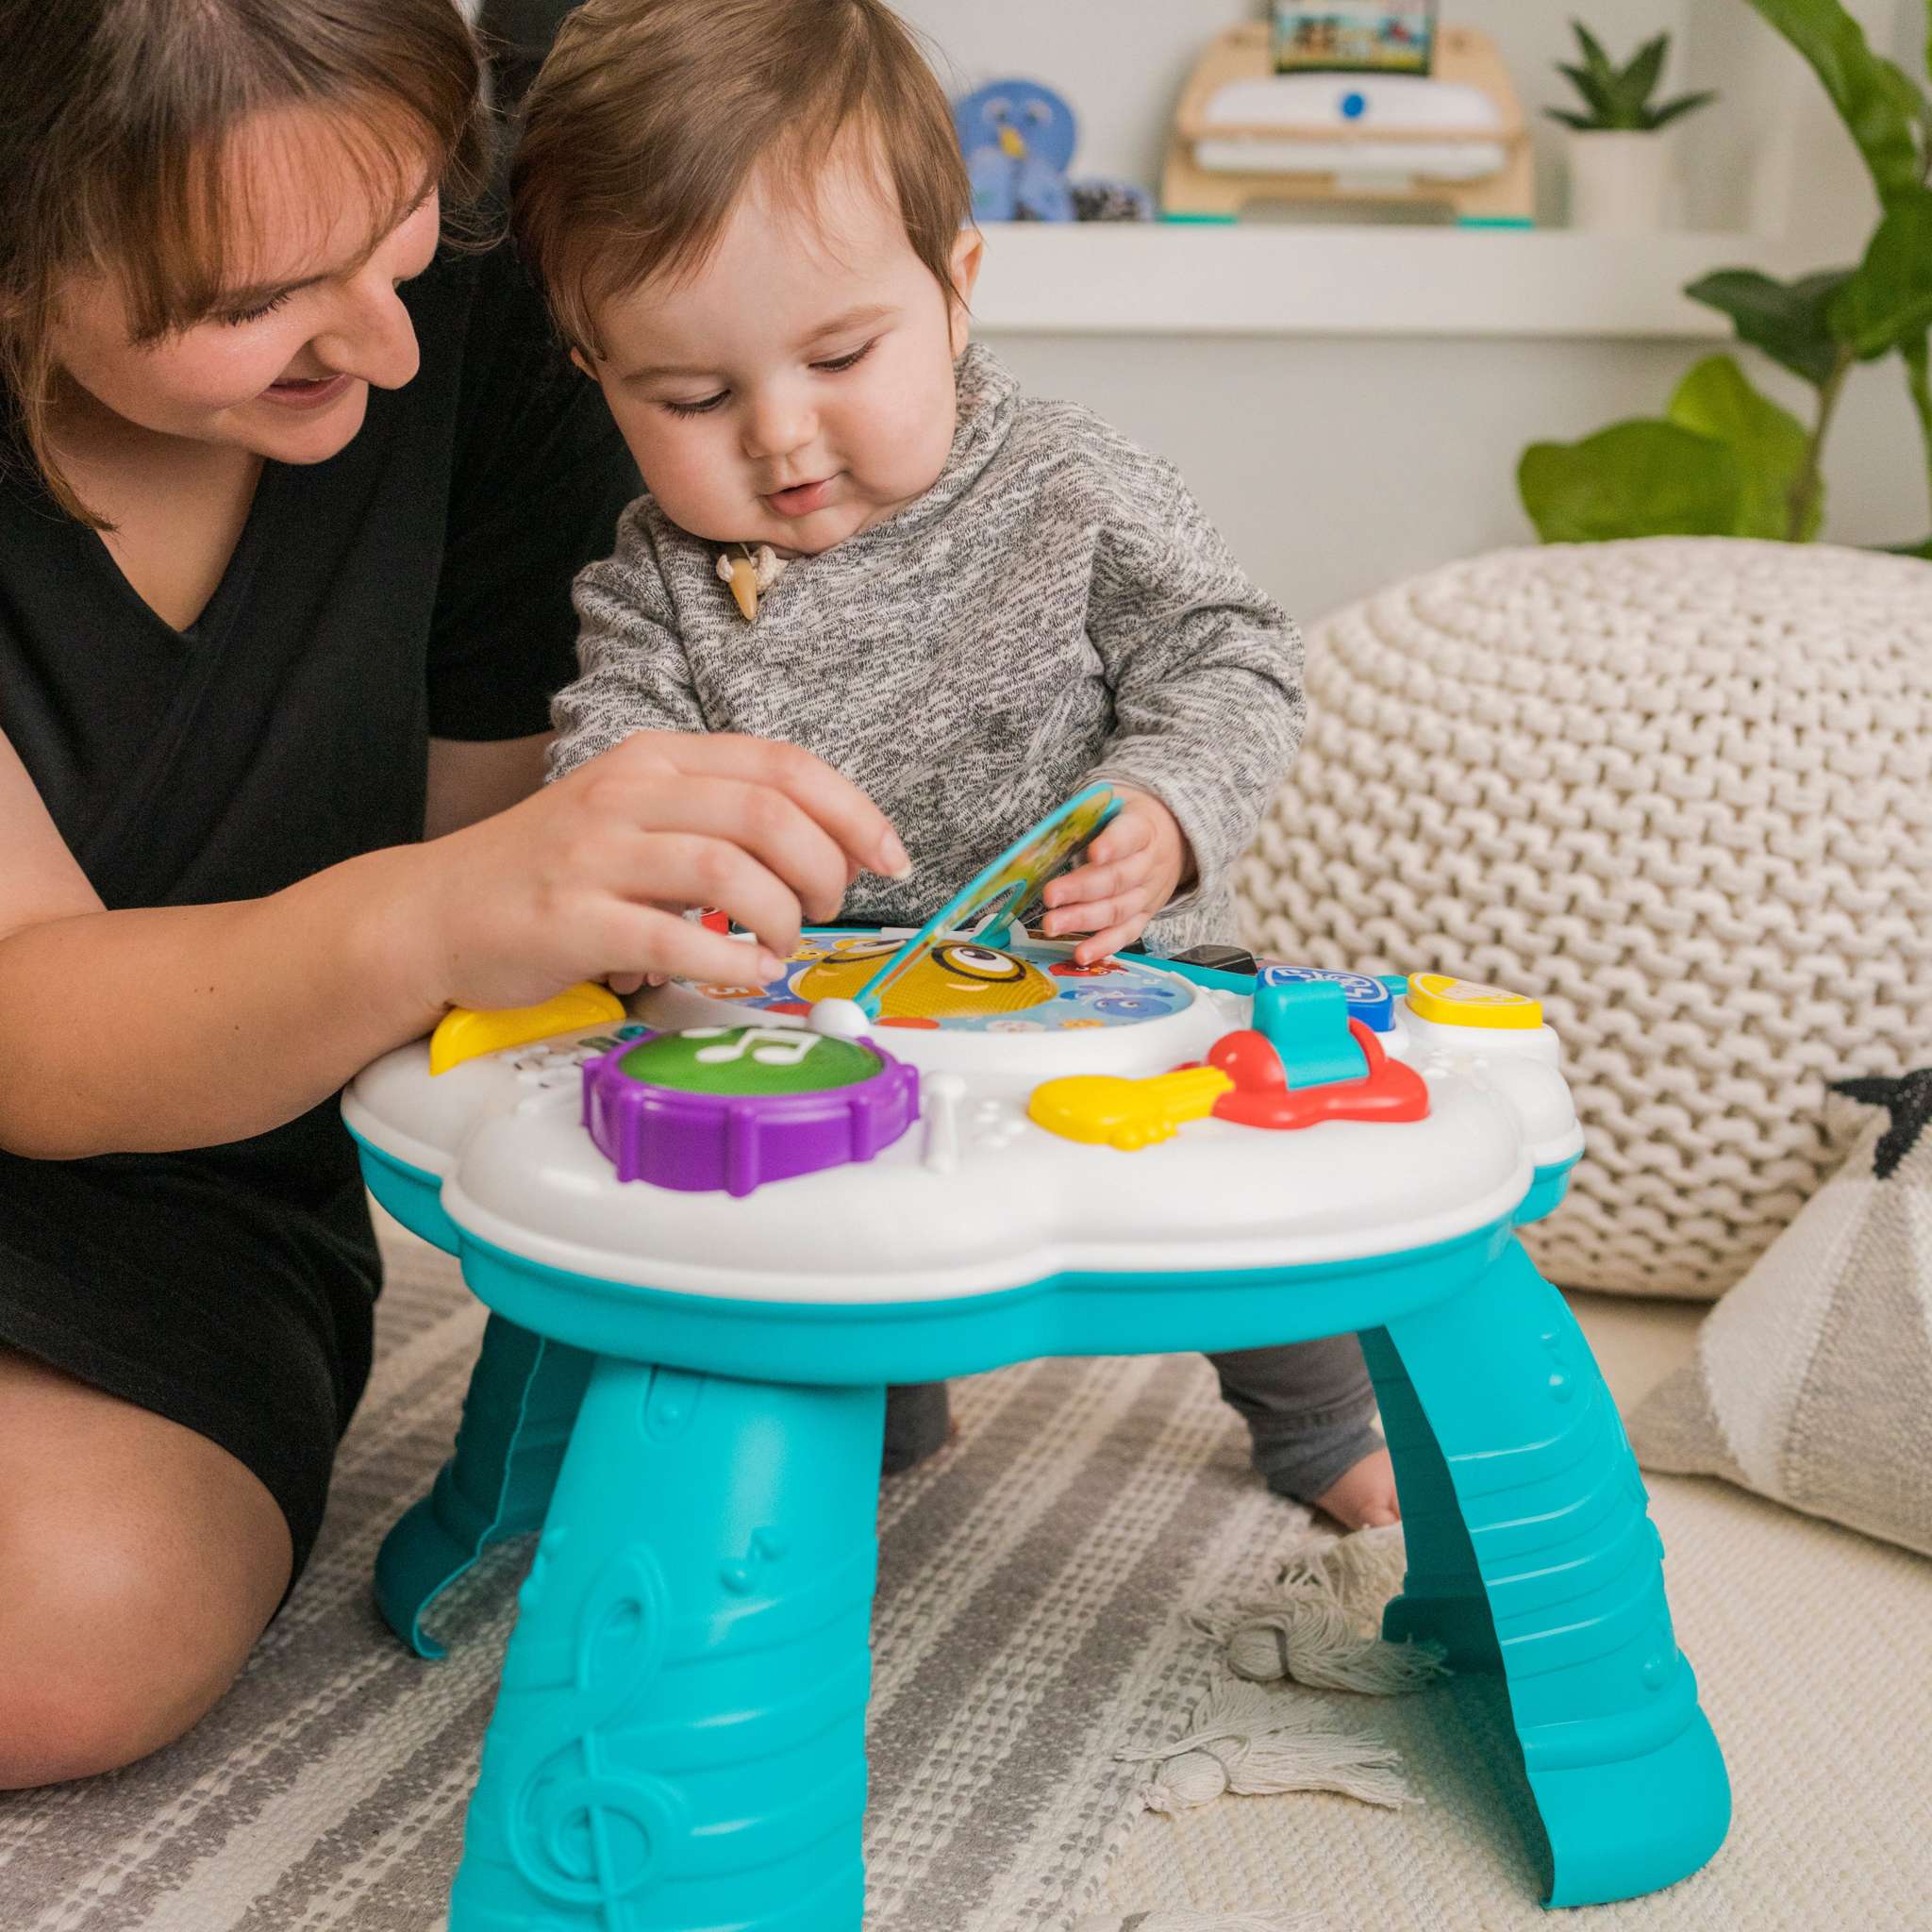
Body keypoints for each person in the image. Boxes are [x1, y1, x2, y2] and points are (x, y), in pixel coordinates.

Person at [0, 0, 908, 1790]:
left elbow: (508, 911)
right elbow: (28, 1014)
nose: (385, 344)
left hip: (184, 1191)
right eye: (253, 300)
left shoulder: (478, 312)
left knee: (65, 1632)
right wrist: (450, 904)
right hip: (51, 1057)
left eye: (405, 210)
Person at [511, 0, 1401, 1529]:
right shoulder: (654, 576)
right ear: (597, 375)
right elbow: (611, 771)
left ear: (955, 288)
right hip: (818, 1011)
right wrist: (667, 900)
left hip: (1108, 972)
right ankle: (882, 1404)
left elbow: (1231, 654)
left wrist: (1167, 811)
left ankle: (1319, 1422)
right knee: (804, 1224)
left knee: (1228, 1183)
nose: (784, 439)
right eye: (692, 398)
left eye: (842, 354)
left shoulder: (1070, 485)